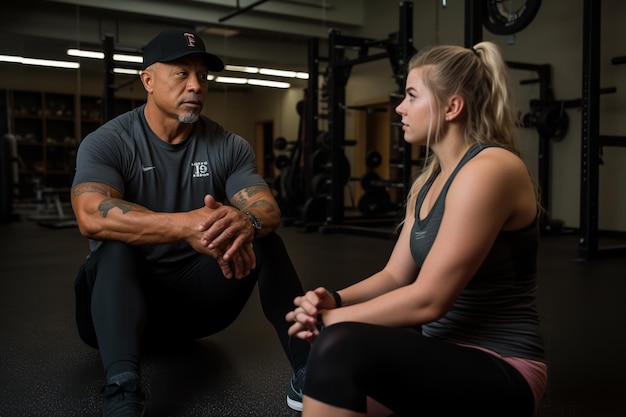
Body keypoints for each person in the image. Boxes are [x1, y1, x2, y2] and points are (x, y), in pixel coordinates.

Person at [286, 41, 547, 417]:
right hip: (439, 355)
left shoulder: (491, 169)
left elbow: (429, 299)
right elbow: (395, 275)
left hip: (502, 368)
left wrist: (329, 322)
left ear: (452, 107)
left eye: (411, 96)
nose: (399, 108)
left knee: (339, 346)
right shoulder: (428, 182)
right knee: (330, 373)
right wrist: (334, 300)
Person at [71, 28, 309, 416]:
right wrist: (189, 226)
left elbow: (267, 208)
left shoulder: (228, 145)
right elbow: (90, 215)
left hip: (195, 311)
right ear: (148, 80)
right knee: (115, 247)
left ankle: (309, 370)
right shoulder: (108, 141)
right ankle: (122, 391)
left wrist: (244, 220)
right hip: (112, 313)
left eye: (203, 75)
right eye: (182, 73)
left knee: (264, 239)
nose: (196, 85)